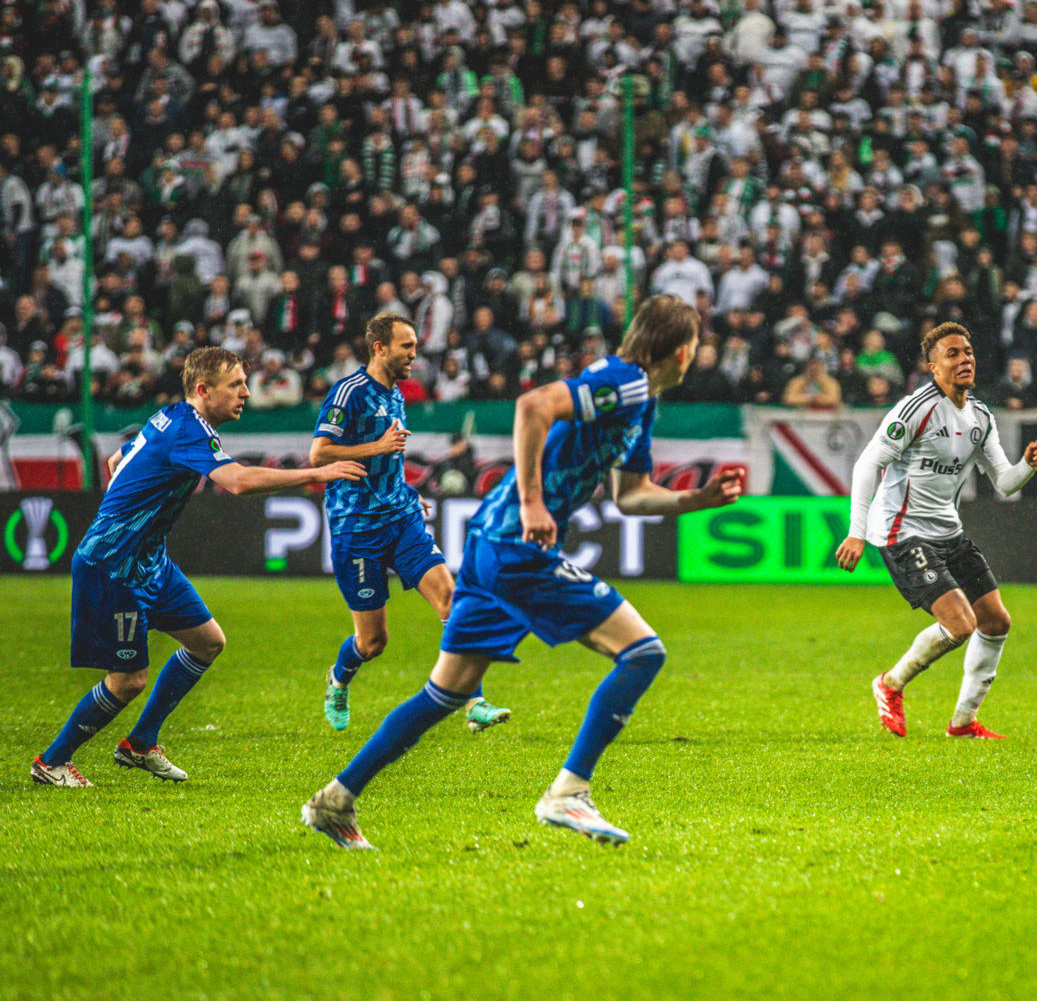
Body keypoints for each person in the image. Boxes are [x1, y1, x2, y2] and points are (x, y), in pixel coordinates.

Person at [302, 297, 744, 849]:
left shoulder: (642, 403)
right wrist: (534, 502)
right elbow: (533, 405)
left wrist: (698, 498)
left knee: (444, 693)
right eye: (696, 346)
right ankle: (568, 793)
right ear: (682, 350)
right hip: (517, 544)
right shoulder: (624, 381)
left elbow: (631, 496)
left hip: (491, 545)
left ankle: (335, 800)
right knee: (643, 652)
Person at [32, 348, 365, 787]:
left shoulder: (172, 417)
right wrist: (314, 475)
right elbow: (239, 481)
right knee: (129, 679)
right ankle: (52, 761)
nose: (246, 392)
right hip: (113, 565)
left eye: (245, 383)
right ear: (204, 390)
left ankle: (141, 744)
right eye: (236, 385)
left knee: (207, 642)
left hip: (149, 560)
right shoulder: (188, 428)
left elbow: (117, 460)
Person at [835, 322, 1037, 740]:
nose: (964, 359)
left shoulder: (981, 416)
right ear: (933, 367)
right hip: (903, 532)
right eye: (952, 354)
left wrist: (1028, 465)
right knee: (960, 622)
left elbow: (1004, 483)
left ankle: (963, 722)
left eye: (967, 352)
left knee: (996, 621)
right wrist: (857, 531)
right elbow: (868, 464)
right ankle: (890, 683)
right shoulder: (915, 409)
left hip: (949, 533)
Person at [311, 316, 510, 734]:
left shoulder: (397, 396)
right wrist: (376, 446)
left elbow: (390, 461)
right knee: (372, 642)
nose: (414, 355)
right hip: (356, 528)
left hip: (401, 518)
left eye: (415, 346)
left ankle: (473, 702)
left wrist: (404, 490)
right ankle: (339, 677)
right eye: (406, 346)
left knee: (452, 600)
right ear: (379, 348)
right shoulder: (349, 393)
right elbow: (319, 454)